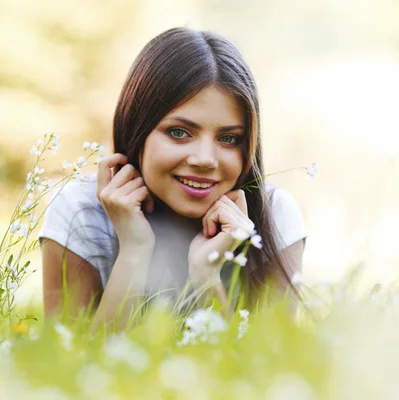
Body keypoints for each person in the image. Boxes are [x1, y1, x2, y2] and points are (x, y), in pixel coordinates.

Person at [38, 27, 308, 332]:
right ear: (136, 129)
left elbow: (264, 374)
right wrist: (134, 251)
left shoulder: (274, 215)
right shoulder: (81, 211)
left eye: (229, 138)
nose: (205, 158)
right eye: (179, 132)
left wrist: (207, 277)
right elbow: (68, 370)